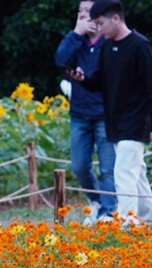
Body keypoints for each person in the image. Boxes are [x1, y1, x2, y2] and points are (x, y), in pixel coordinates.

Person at [68, 0, 152, 226]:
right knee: (135, 172)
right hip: (115, 121)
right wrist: (84, 80)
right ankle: (151, 216)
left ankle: (128, 222)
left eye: (100, 23)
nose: (98, 29)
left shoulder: (141, 46)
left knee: (122, 171)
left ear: (115, 19)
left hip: (137, 121)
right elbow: (100, 82)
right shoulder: (107, 48)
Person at [56, 0, 117, 225]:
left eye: (86, 11)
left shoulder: (109, 40)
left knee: (108, 168)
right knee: (80, 166)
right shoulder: (76, 39)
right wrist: (76, 33)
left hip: (104, 113)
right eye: (79, 11)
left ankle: (108, 213)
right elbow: (60, 60)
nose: (82, 15)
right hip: (79, 113)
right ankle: (96, 201)